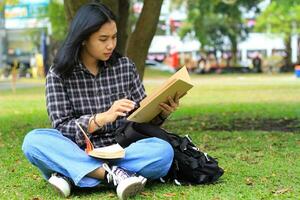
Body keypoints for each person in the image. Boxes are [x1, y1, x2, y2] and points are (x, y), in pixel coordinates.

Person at [22, 2, 179, 200]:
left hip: (123, 150)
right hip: (76, 149)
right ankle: (113, 176)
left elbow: (142, 122)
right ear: (83, 39)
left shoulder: (125, 67)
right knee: (33, 142)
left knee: (163, 151)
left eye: (114, 37)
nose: (111, 45)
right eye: (103, 39)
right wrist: (102, 118)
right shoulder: (59, 74)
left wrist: (162, 112)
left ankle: (73, 174)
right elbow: (62, 127)